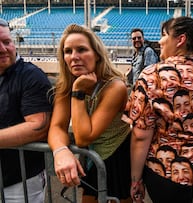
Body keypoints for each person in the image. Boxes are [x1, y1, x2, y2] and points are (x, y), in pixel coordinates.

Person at [124, 15, 193, 203]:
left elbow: (140, 135)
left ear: (180, 40)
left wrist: (135, 179)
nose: (160, 41)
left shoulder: (152, 75)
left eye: (164, 35)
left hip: (168, 175)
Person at [47, 24, 132, 203]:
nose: (74, 57)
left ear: (97, 55)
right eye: (68, 51)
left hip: (117, 157)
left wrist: (78, 92)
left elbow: (83, 137)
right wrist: (61, 152)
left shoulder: (115, 87)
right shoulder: (65, 85)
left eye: (82, 49)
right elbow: (57, 127)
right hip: (92, 159)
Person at [0, 18, 52, 202]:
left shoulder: (31, 75)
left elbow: (39, 126)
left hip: (20, 183)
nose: (3, 48)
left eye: (6, 42)